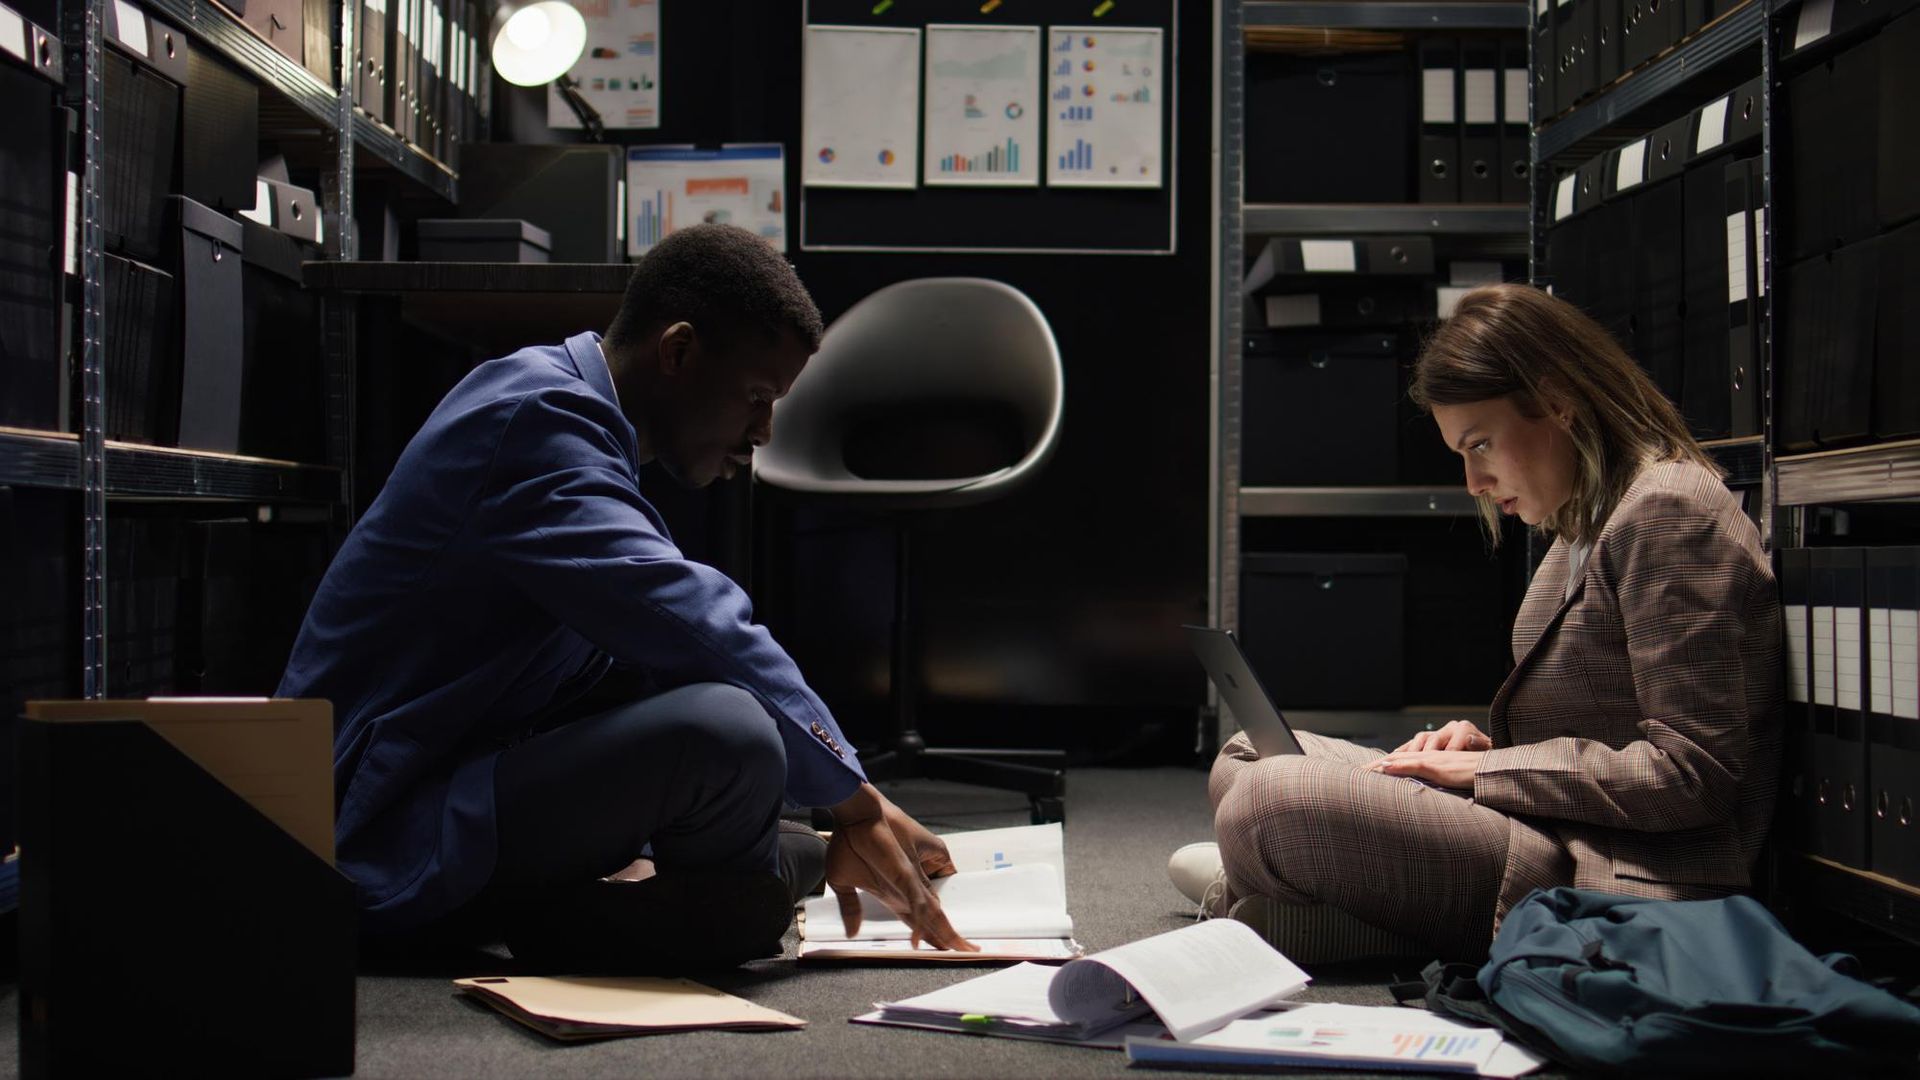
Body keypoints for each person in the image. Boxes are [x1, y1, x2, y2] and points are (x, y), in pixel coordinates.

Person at [280, 224, 974, 969]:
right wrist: (857, 799)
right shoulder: (538, 419)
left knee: (771, 803)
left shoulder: (567, 408)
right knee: (730, 734)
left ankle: (713, 890)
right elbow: (686, 615)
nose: (764, 430)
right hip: (381, 829)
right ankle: (625, 911)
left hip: (468, 770)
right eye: (756, 396)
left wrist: (833, 797)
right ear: (676, 352)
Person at [1176, 283, 1782, 963]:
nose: (1472, 482)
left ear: (1557, 400)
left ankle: (1304, 905)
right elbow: (1600, 716)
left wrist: (1490, 771)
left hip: (1601, 865)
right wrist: (1488, 748)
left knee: (1270, 802)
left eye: (1482, 444)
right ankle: (1313, 906)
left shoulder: (1668, 512)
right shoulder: (1591, 514)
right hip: (1547, 823)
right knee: (1247, 758)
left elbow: (1693, 773)